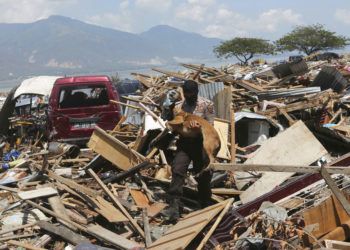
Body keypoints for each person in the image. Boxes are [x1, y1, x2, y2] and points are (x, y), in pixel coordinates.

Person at [163, 79, 216, 221]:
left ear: (197, 92)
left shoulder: (207, 105)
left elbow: (210, 127)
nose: (188, 96)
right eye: (186, 93)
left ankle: (205, 204)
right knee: (178, 170)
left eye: (191, 93)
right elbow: (173, 124)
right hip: (184, 143)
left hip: (200, 143)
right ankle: (174, 207)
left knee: (203, 174)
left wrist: (198, 128)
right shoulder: (179, 107)